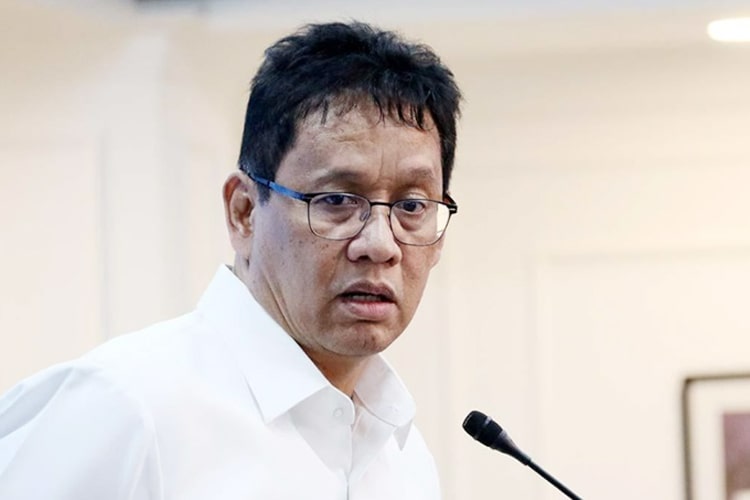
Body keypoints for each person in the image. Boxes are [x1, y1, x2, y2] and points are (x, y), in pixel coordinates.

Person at [0, 21, 461, 499]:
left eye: (412, 206)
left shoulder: (403, 458)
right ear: (243, 212)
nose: (380, 245)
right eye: (336, 200)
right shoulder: (125, 410)